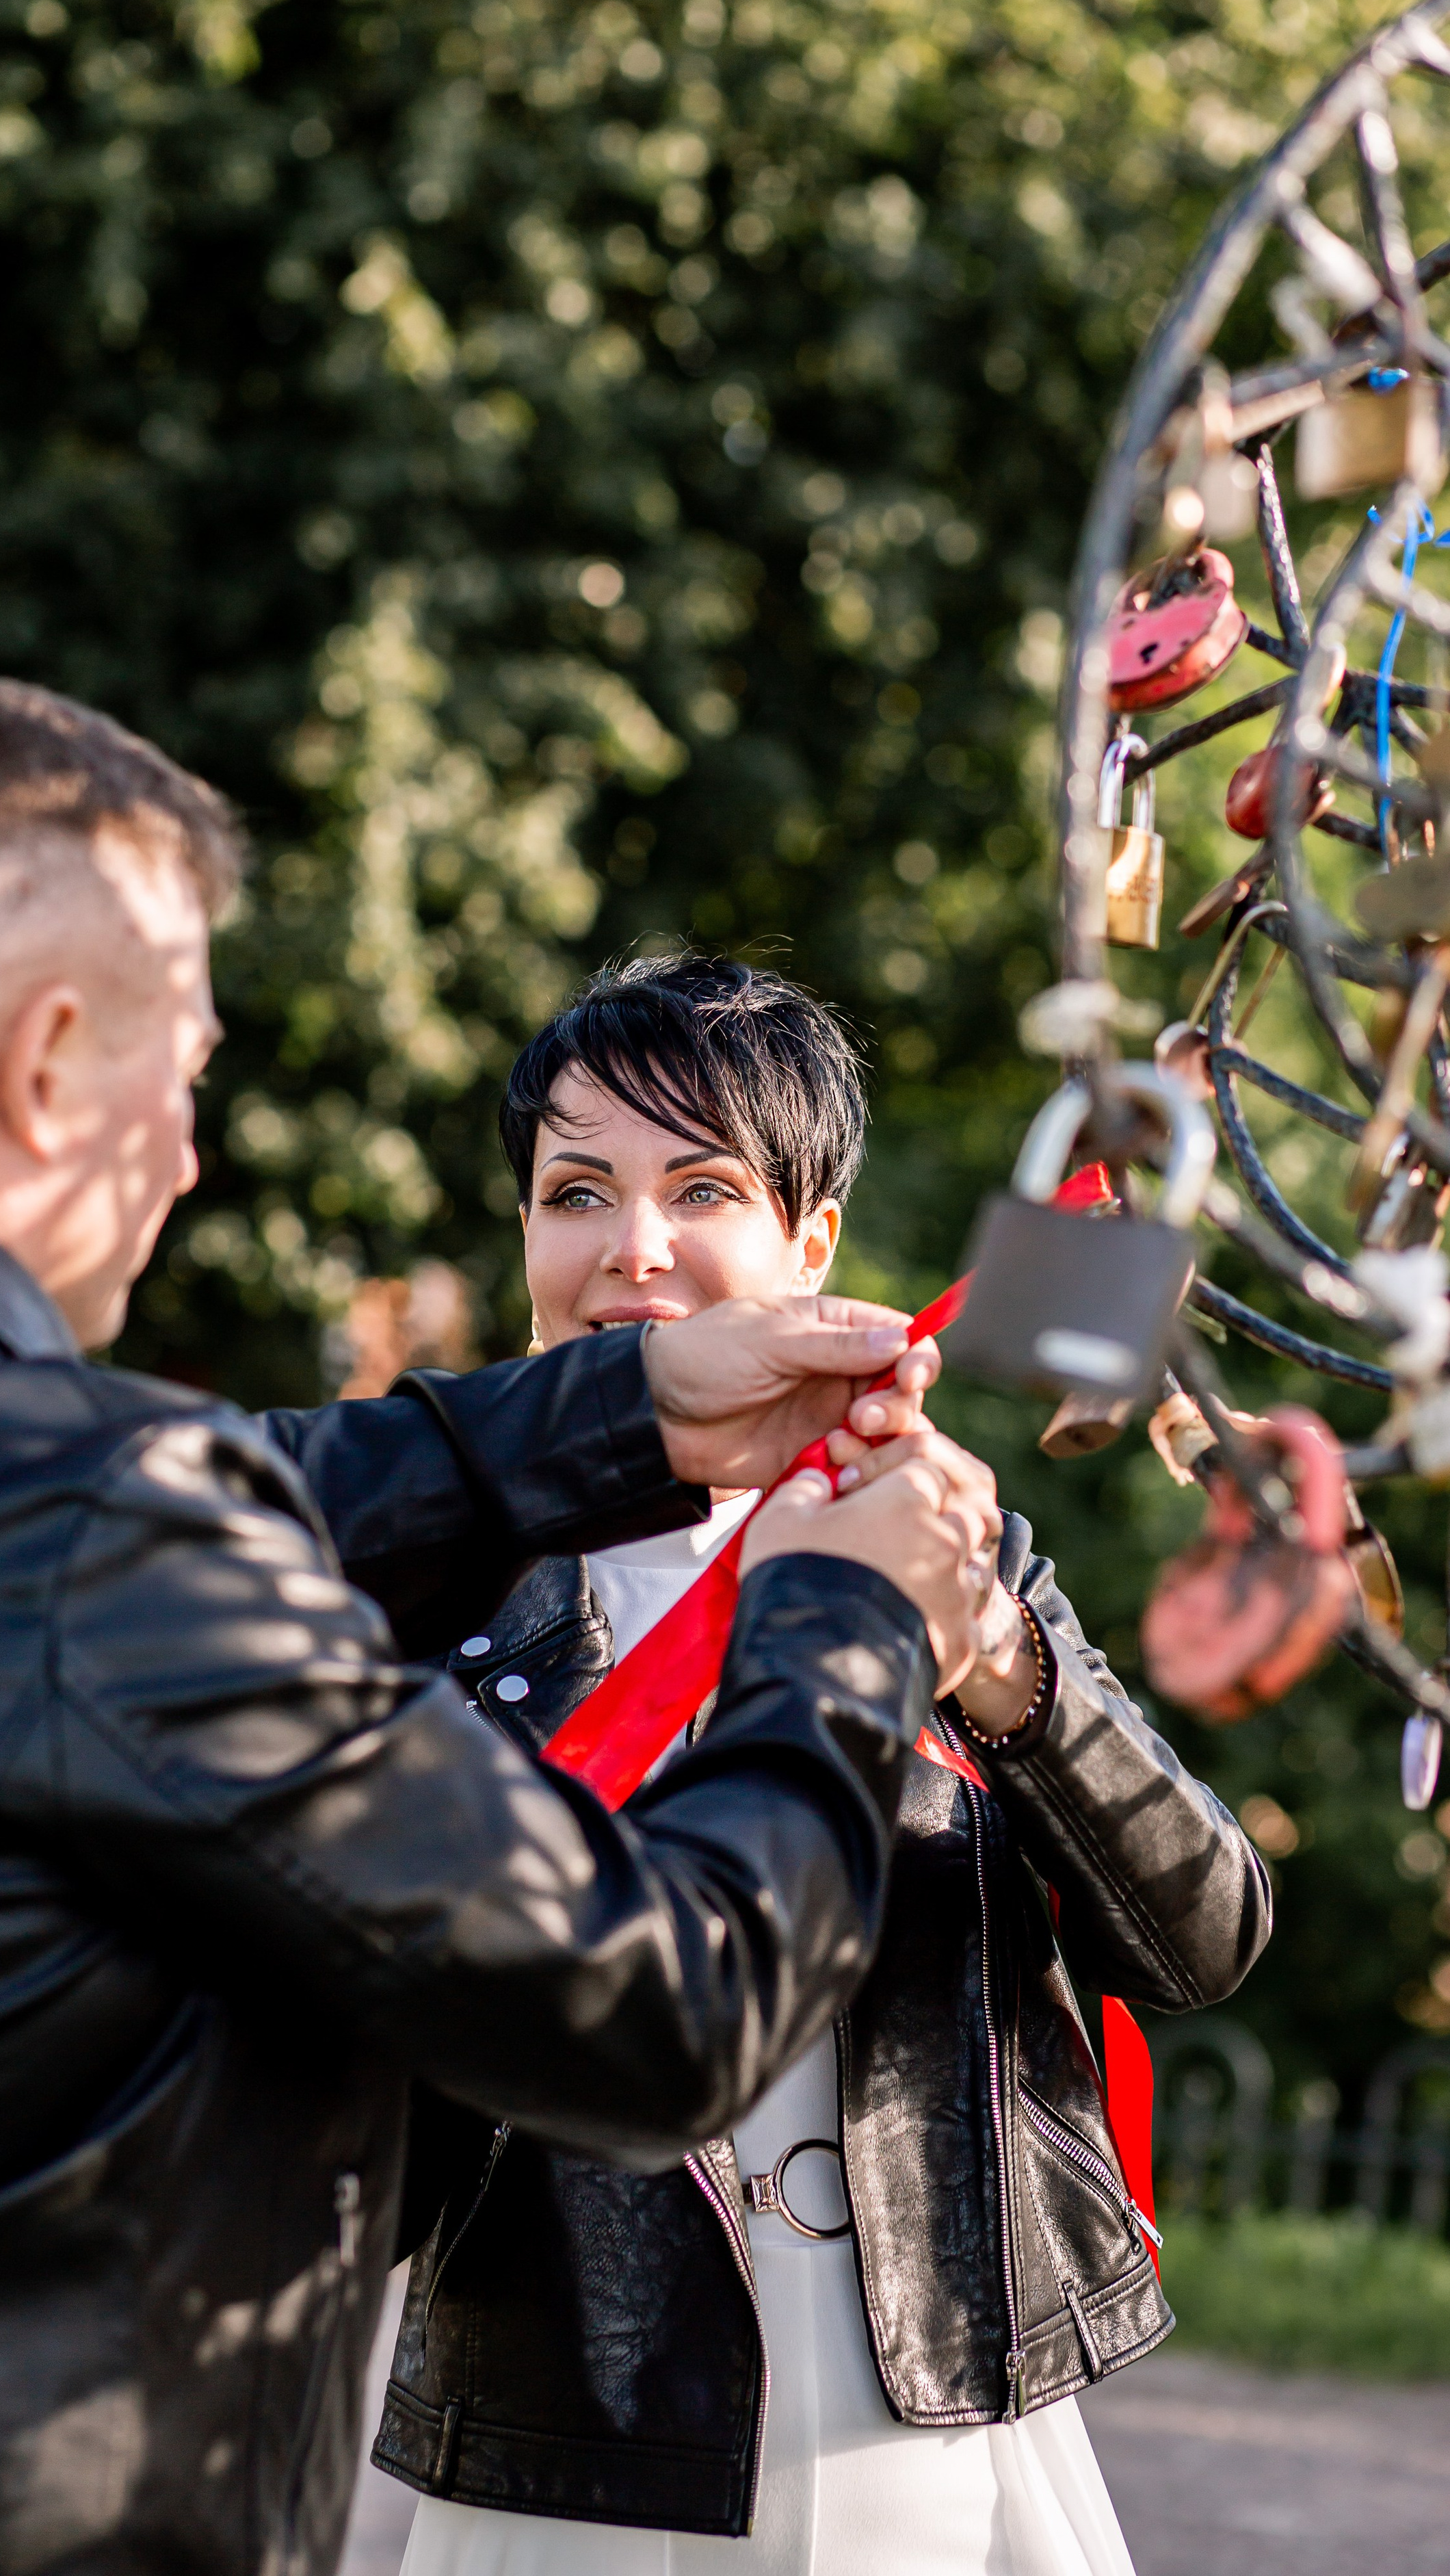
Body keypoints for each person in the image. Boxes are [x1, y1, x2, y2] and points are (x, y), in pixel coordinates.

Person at [0, 673, 997, 2576]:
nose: (187, 1153)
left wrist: (622, 1413)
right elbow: (651, 2008)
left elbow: (204, 1497)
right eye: (185, 1066)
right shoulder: (78, 1534)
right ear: (53, 1064)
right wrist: (851, 1622)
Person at [373, 957, 1273, 2576]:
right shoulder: (430, 1586)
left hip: (929, 2400)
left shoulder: (950, 1538)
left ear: (814, 1243)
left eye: (698, 1186)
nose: (628, 1249)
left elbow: (1206, 1935)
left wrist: (995, 1656)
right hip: (559, 2431)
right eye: (573, 1190)